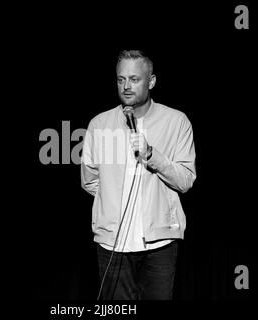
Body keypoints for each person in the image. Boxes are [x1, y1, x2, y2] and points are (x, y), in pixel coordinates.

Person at [81, 50, 197, 300]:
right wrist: (111, 202)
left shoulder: (176, 122)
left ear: (151, 81)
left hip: (159, 247)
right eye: (121, 79)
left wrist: (152, 155)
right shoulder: (99, 125)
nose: (126, 86)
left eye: (134, 79)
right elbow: (90, 180)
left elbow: (186, 180)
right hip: (113, 244)